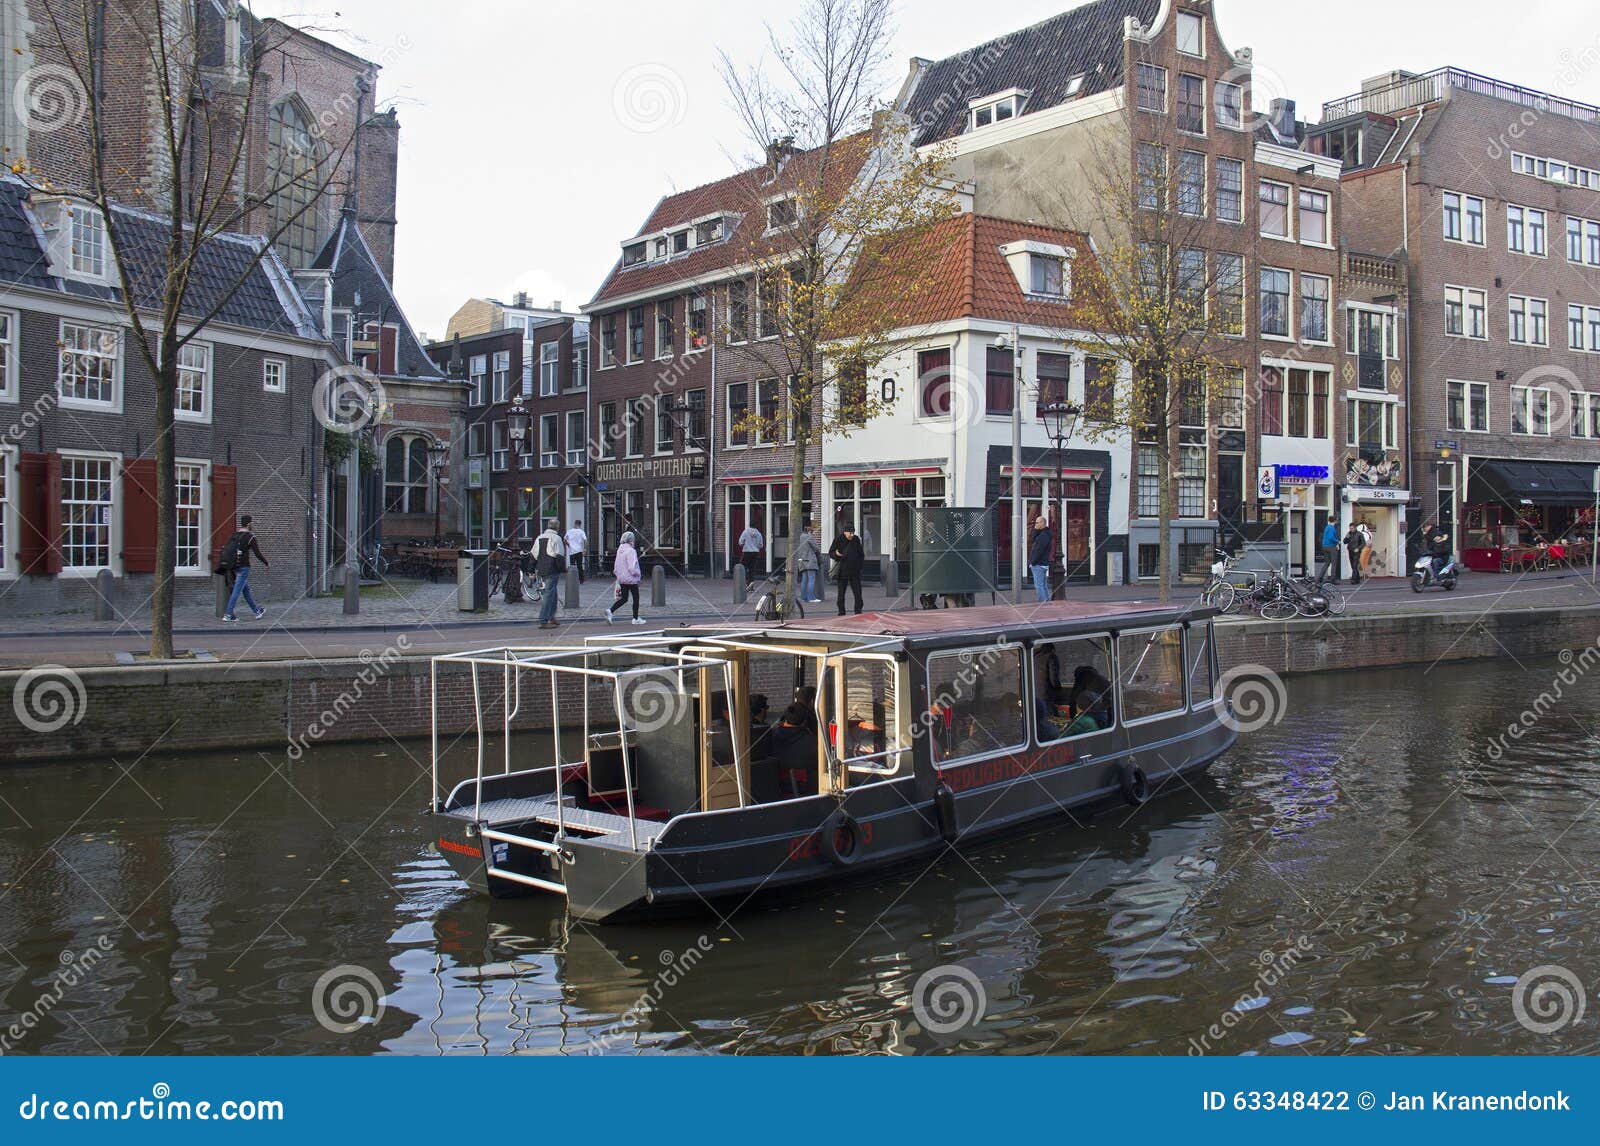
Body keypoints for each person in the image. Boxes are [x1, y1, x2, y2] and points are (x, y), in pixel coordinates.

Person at [219, 514, 268, 622]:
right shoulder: (250, 537)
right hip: (243, 567)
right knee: (237, 591)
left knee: (246, 590)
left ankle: (257, 611)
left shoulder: (234, 535)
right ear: (249, 523)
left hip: (234, 566)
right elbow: (257, 553)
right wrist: (266, 563)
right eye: (252, 522)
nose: (253, 524)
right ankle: (228, 614)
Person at [532, 519, 567, 630]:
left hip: (541, 568)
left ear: (548, 526)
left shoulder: (539, 537)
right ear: (557, 527)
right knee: (549, 593)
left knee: (553, 593)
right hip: (552, 569)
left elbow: (533, 554)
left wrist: (531, 569)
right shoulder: (557, 538)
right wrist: (563, 569)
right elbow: (559, 556)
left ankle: (552, 616)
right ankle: (543, 619)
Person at [606, 531, 646, 626]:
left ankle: (610, 611)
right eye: (633, 539)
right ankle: (635, 618)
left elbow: (616, 566)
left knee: (624, 598)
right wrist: (637, 575)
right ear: (631, 540)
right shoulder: (631, 551)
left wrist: (618, 576)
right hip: (631, 579)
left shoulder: (620, 550)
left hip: (622, 578)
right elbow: (632, 567)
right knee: (636, 598)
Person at [829, 525, 865, 615]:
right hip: (842, 571)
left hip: (855, 571)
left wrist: (860, 566)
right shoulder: (838, 539)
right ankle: (841, 612)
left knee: (858, 593)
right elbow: (831, 553)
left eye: (853, 532)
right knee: (841, 594)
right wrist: (836, 555)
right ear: (845, 532)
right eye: (850, 533)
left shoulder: (856, 539)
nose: (851, 535)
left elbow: (861, 554)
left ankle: (858, 611)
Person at [792, 524, 822, 604]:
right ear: (809, 531)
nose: (812, 533)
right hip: (810, 560)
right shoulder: (809, 537)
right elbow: (816, 548)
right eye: (812, 532)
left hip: (801, 560)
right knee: (811, 579)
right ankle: (811, 598)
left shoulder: (799, 537)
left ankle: (803, 597)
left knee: (804, 580)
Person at [1028, 515, 1054, 603]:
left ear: (1042, 523)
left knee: (1039, 586)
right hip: (1043, 564)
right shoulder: (1044, 534)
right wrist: (1035, 529)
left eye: (1037, 522)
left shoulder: (1043, 536)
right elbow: (1032, 539)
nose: (1035, 524)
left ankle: (1042, 604)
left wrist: (1033, 562)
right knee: (1043, 585)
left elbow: (1039, 550)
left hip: (1039, 564)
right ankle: (1047, 603)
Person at [1317, 519, 1341, 585]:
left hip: (1325, 546)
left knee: (1327, 562)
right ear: (1335, 521)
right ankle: (1333, 579)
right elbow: (1331, 537)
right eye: (1336, 521)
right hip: (1331, 547)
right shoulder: (1331, 528)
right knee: (1334, 563)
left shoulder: (1327, 527)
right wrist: (1337, 541)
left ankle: (1320, 578)